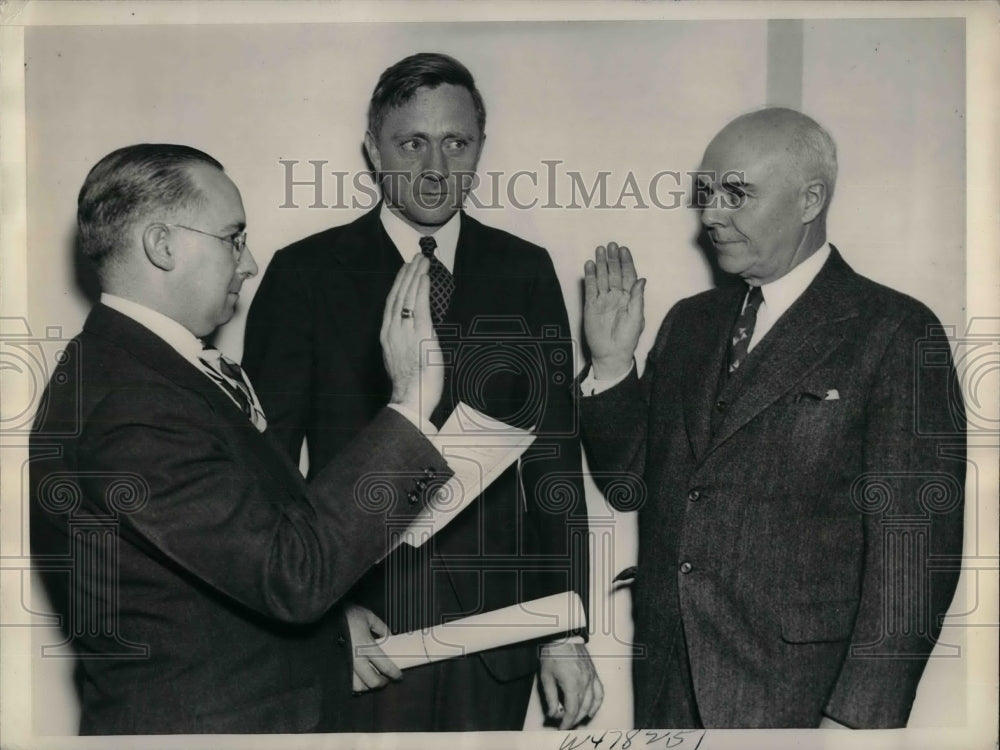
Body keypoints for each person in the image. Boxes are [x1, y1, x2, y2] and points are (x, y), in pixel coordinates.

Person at [29, 144, 450, 734]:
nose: (248, 263)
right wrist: (409, 401)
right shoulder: (131, 404)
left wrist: (327, 630)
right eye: (233, 238)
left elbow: (241, 554)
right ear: (162, 245)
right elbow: (291, 575)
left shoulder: (140, 370)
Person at [243, 52, 601, 731]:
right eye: (413, 143)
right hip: (364, 630)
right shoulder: (304, 274)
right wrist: (319, 616)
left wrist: (563, 627)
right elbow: (268, 468)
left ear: (480, 150)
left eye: (456, 143)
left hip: (498, 637)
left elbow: (555, 465)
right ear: (373, 152)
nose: (436, 169)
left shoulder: (524, 271)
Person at [578, 108, 965, 728]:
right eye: (708, 192)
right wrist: (612, 365)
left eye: (737, 192)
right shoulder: (689, 323)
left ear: (810, 199)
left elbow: (913, 558)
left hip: (800, 706)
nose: (710, 215)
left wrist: (857, 724)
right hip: (669, 691)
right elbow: (632, 483)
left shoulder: (894, 330)